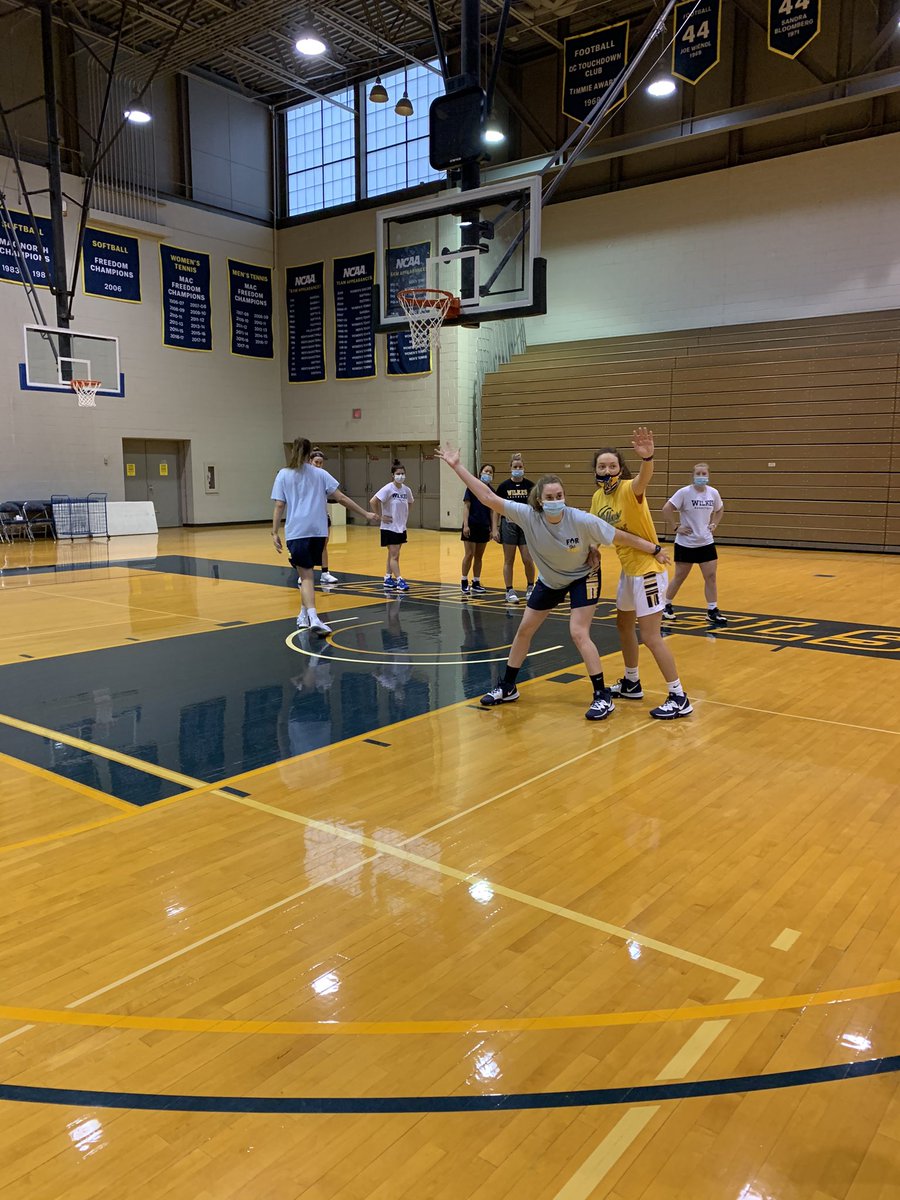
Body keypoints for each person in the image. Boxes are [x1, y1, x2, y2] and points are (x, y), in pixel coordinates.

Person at [437, 444, 671, 721]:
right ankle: (508, 686)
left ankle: (601, 695)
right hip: (550, 579)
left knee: (578, 632)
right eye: (549, 497)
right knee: (524, 630)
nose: (555, 500)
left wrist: (654, 549)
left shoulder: (580, 519)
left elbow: (619, 536)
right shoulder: (527, 515)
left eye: (559, 496)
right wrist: (457, 466)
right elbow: (487, 496)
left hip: (583, 576)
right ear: (539, 500)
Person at [591, 428, 692, 720]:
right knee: (623, 625)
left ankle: (679, 696)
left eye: (612, 466)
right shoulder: (598, 497)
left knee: (650, 635)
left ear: (620, 468)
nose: (607, 471)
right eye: (602, 466)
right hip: (628, 570)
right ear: (595, 470)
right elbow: (595, 529)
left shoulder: (629, 489)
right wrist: (592, 549)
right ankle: (631, 681)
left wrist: (647, 458)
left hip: (647, 570)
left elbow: (643, 479)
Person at [272, 437, 377, 634]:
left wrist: (274, 531)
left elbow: (279, 505)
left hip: (296, 532)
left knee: (306, 575)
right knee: (307, 574)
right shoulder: (320, 474)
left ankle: (313, 616)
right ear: (309, 453)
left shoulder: (283, 474)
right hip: (318, 531)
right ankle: (303, 614)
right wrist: (365, 514)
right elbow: (341, 498)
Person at [661, 463, 728, 627]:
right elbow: (666, 509)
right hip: (686, 543)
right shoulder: (684, 492)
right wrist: (675, 527)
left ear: (708, 475)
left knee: (711, 577)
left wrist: (714, 524)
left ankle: (712, 610)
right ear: (693, 476)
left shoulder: (713, 493)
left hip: (706, 542)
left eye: (704, 473)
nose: (701, 476)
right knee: (680, 576)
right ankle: (665, 605)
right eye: (698, 473)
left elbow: (720, 509)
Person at [492, 453, 536, 603]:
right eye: (515, 467)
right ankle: (509, 590)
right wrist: (495, 528)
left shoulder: (530, 486)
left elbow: (536, 508)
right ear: (510, 468)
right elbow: (496, 509)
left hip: (525, 526)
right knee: (508, 559)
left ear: (524, 468)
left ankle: (530, 587)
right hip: (508, 525)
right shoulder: (504, 486)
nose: (518, 469)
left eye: (520, 467)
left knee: (527, 559)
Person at [372, 459, 414, 592]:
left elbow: (410, 502)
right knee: (394, 555)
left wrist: (404, 515)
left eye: (402, 473)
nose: (400, 476)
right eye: (398, 473)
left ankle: (387, 577)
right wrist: (380, 516)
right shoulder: (388, 488)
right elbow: (373, 501)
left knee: (393, 554)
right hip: (389, 527)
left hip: (401, 527)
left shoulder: (406, 490)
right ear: (393, 475)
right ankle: (400, 579)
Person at [461, 462, 495, 597]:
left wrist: (492, 528)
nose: (488, 474)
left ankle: (476, 581)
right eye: (486, 471)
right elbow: (466, 506)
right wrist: (466, 525)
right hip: (471, 525)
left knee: (479, 556)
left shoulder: (491, 491)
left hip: (484, 526)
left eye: (490, 472)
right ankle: (464, 580)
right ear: (480, 473)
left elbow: (492, 511)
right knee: (469, 554)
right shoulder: (472, 487)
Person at [309, 449, 339, 585]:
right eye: (316, 462)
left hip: (322, 515)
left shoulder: (324, 476)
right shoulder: (305, 477)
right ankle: (305, 572)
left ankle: (325, 573)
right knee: (309, 545)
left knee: (323, 545)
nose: (318, 465)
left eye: (321, 463)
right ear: (310, 461)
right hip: (308, 517)